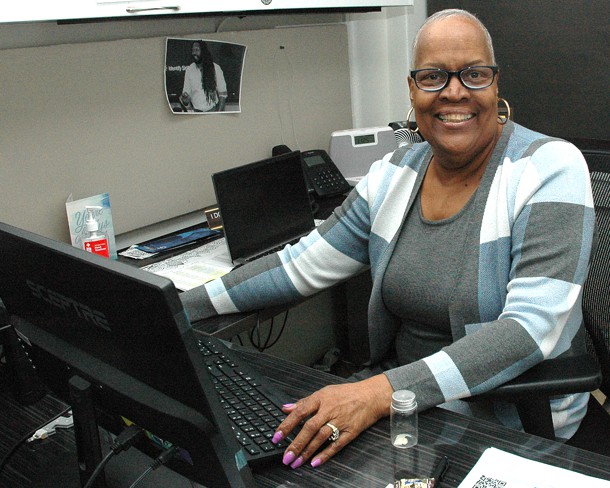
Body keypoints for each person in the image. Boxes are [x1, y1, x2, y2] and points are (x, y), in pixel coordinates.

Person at [181, 9, 595, 470]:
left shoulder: (549, 167)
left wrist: (378, 393)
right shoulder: (393, 174)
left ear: (495, 85)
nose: (454, 92)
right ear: (412, 90)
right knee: (257, 452)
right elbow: (298, 265)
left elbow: (526, 331)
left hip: (506, 414)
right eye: (433, 77)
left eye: (474, 74)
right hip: (400, 399)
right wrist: (175, 306)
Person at [180, 40, 228, 112]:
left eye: (197, 50)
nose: (194, 53)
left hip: (213, 111)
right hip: (196, 112)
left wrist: (218, 114)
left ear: (203, 51)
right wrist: (185, 101)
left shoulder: (215, 68)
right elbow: (186, 96)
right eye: (193, 50)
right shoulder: (189, 70)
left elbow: (223, 95)